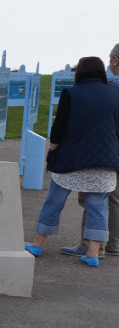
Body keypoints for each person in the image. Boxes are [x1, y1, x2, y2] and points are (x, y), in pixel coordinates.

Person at [25, 56, 119, 266]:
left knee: (54, 202)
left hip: (72, 159)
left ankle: (38, 243)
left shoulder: (71, 93)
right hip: (105, 161)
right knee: (98, 206)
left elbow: (59, 127)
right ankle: (93, 253)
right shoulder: (116, 94)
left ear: (80, 72)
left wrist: (53, 146)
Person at [59, 43, 119, 257]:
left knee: (95, 196)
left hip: (107, 150)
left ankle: (91, 246)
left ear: (115, 59)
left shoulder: (111, 86)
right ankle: (113, 244)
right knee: (114, 198)